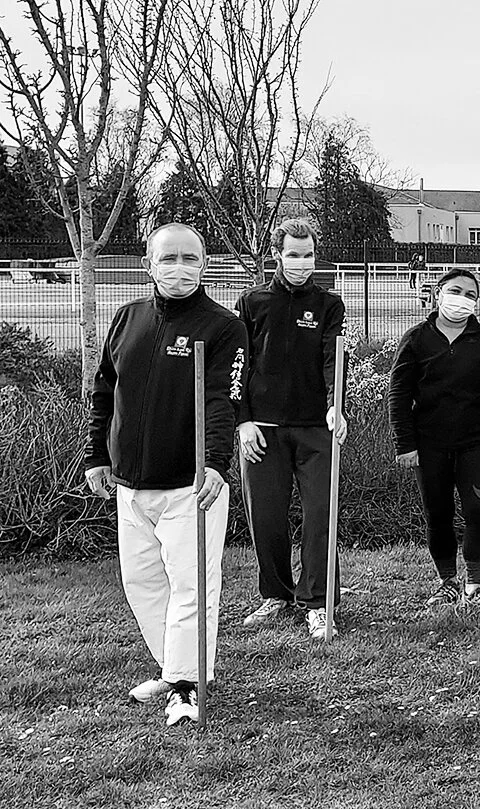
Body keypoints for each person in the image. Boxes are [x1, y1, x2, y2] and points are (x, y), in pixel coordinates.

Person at [84, 222, 246, 726]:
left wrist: (216, 464)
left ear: (205, 263)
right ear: (148, 264)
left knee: (193, 584)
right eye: (169, 259)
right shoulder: (127, 318)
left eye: (190, 258)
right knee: (142, 582)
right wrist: (97, 455)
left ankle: (186, 684)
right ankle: (173, 665)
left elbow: (223, 399)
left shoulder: (223, 327)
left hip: (191, 483)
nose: (180, 269)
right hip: (130, 482)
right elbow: (104, 392)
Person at [234, 218, 348, 640]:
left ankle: (318, 602)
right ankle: (276, 594)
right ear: (277, 255)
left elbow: (333, 358)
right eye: (293, 254)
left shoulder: (328, 305)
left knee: (321, 514)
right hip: (262, 430)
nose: (302, 263)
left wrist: (336, 405)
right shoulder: (252, 302)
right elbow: (237, 367)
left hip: (316, 429)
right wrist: (243, 420)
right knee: (265, 516)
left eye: (308, 255)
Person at [389, 269, 480, 610]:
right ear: (438, 294)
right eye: (456, 291)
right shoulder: (415, 339)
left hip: (474, 442)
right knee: (438, 513)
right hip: (428, 445)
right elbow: (398, 393)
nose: (463, 299)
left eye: (471, 294)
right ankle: (447, 581)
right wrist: (405, 444)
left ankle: (475, 584)